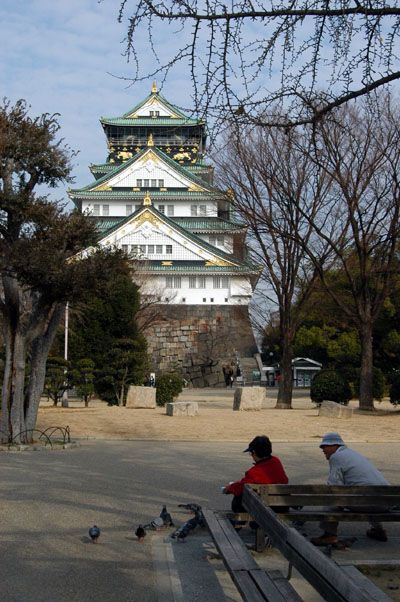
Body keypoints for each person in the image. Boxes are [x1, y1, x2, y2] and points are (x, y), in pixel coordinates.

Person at [311, 432, 390, 546]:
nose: (323, 449)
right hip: (385, 502)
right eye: (322, 447)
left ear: (336, 445)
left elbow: (334, 486)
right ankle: (378, 530)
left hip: (370, 502)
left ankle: (329, 535)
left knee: (332, 498)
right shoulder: (352, 454)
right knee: (368, 494)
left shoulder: (336, 457)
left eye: (325, 446)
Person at [222, 435, 289, 513]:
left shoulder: (254, 472)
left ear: (254, 452)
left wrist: (229, 488)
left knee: (239, 498)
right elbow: (284, 480)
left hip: (263, 509)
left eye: (251, 453)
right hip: (281, 506)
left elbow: (241, 487)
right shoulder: (276, 461)